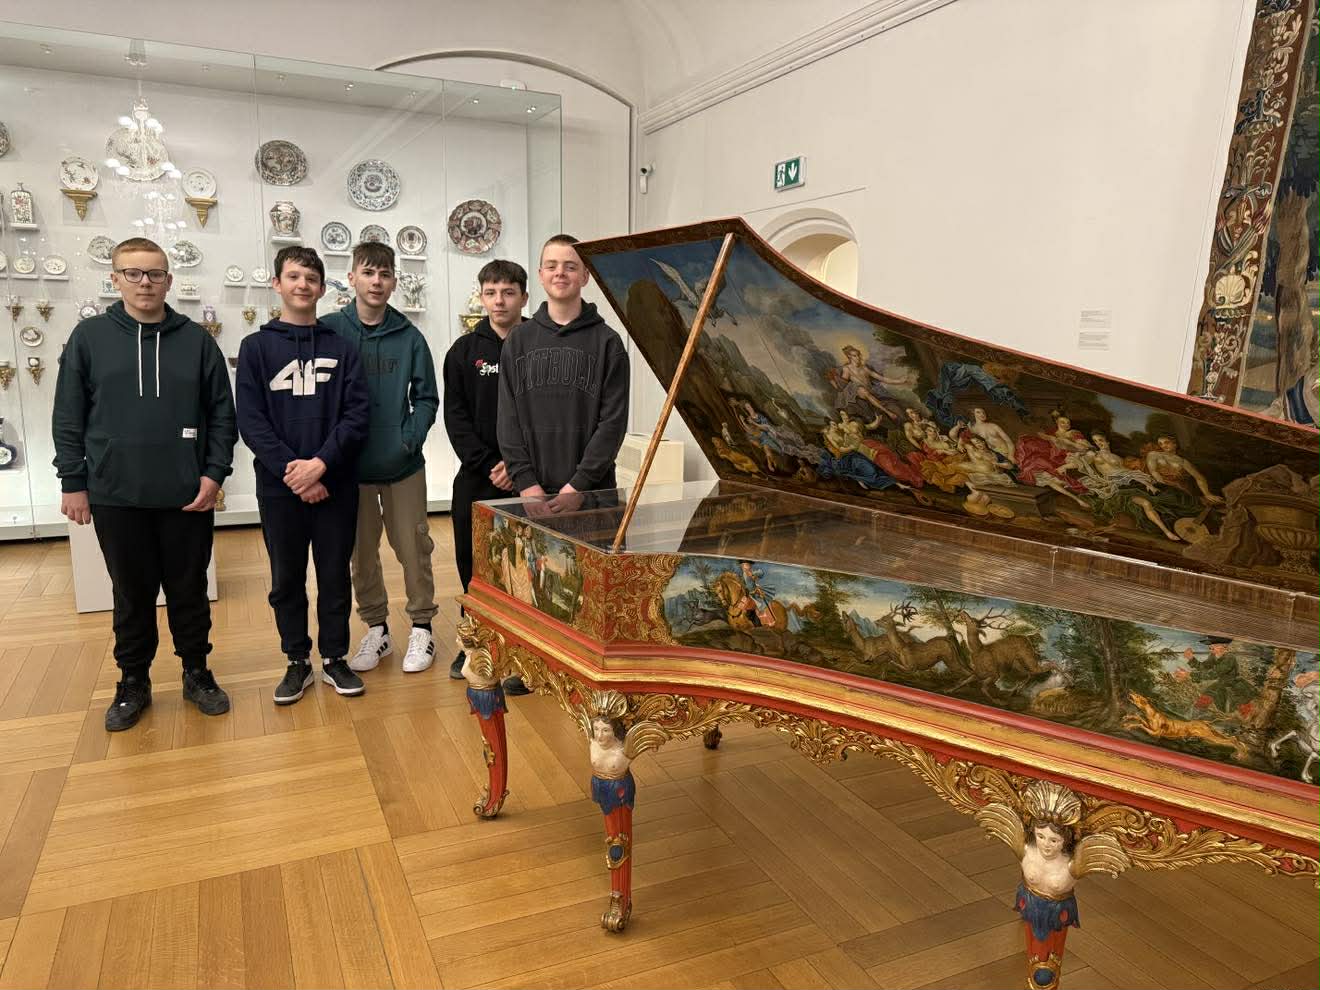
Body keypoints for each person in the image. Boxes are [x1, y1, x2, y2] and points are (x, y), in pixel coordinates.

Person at [52, 236, 237, 731]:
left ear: (169, 280)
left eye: (154, 273)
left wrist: (214, 473)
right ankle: (133, 680)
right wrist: (73, 480)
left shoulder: (197, 341)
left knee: (189, 589)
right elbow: (68, 415)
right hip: (116, 494)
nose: (145, 283)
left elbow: (222, 413)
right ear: (115, 279)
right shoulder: (89, 338)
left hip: (186, 494)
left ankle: (196, 672)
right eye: (132, 273)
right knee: (131, 593)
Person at [235, 246, 370, 705]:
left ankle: (334, 657)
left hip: (335, 484)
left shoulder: (342, 347)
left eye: (311, 278)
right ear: (277, 284)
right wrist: (293, 472)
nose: (302, 285)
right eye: (293, 276)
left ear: (322, 287)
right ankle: (296, 660)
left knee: (334, 576)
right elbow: (251, 420)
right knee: (287, 579)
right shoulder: (256, 348)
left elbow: (356, 416)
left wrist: (320, 466)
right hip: (280, 488)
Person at [322, 243, 440, 675]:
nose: (377, 281)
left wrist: (408, 440)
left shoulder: (410, 337)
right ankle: (377, 628)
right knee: (360, 552)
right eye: (368, 272)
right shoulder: (329, 331)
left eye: (385, 274)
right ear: (351, 277)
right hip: (348, 468)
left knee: (413, 546)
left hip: (401, 465)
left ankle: (422, 626)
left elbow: (426, 398)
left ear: (394, 282)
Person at [497, 234, 630, 514]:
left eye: (570, 266)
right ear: (540, 275)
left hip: (591, 495)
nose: (560, 272)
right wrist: (526, 483)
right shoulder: (517, 340)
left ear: (585, 276)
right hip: (532, 495)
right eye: (551, 266)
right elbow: (508, 419)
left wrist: (579, 485)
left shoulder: (608, 343)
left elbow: (613, 424)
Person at [443, 260, 526, 683]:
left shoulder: (538, 345)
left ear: (523, 297)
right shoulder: (463, 352)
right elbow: (455, 417)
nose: (499, 301)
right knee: (473, 563)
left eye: (508, 292)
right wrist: (488, 464)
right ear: (481, 297)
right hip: (478, 476)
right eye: (491, 292)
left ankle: (522, 654)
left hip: (529, 479)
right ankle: (474, 644)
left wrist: (519, 466)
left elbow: (547, 414)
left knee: (522, 569)